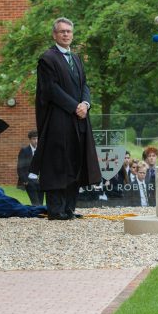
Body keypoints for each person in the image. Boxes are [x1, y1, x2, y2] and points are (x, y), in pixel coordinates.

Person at [30, 18, 102, 220]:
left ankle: (69, 208)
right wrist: (74, 106)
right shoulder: (47, 59)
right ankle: (56, 209)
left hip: (78, 120)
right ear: (54, 35)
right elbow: (51, 89)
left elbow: (84, 85)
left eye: (69, 31)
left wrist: (85, 104)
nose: (66, 34)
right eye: (62, 31)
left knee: (75, 162)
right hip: (58, 121)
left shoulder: (76, 58)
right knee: (58, 164)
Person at [16, 130, 40, 203]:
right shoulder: (24, 151)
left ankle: (38, 214)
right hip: (29, 180)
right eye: (34, 139)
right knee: (35, 202)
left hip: (40, 181)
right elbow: (20, 167)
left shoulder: (41, 150)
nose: (36, 141)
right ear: (30, 139)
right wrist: (25, 180)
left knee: (41, 202)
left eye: (37, 138)